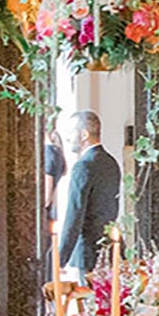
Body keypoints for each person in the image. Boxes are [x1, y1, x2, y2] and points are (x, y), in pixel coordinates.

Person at [55, 109, 122, 282]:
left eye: (71, 133)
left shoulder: (83, 166)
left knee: (91, 305)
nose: (68, 138)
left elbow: (74, 215)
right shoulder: (111, 162)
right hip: (111, 247)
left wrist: (59, 260)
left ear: (84, 134)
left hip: (89, 251)